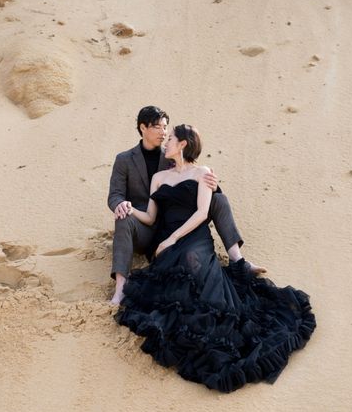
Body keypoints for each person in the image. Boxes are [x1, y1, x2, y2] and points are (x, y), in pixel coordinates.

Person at [115, 125, 316, 394]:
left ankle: (229, 276)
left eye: (171, 138)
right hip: (165, 236)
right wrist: (129, 208)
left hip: (193, 235)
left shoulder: (203, 173)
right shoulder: (159, 177)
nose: (166, 142)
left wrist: (173, 239)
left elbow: (201, 213)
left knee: (191, 259)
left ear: (183, 144)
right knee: (173, 273)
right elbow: (150, 217)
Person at [108, 106, 265, 304]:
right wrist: (122, 204)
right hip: (147, 226)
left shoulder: (170, 153)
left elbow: (191, 176)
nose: (164, 133)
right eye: (157, 127)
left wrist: (213, 185)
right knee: (123, 217)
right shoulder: (124, 159)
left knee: (219, 199)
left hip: (178, 220)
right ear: (143, 128)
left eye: (166, 128)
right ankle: (121, 287)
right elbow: (115, 195)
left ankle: (238, 260)